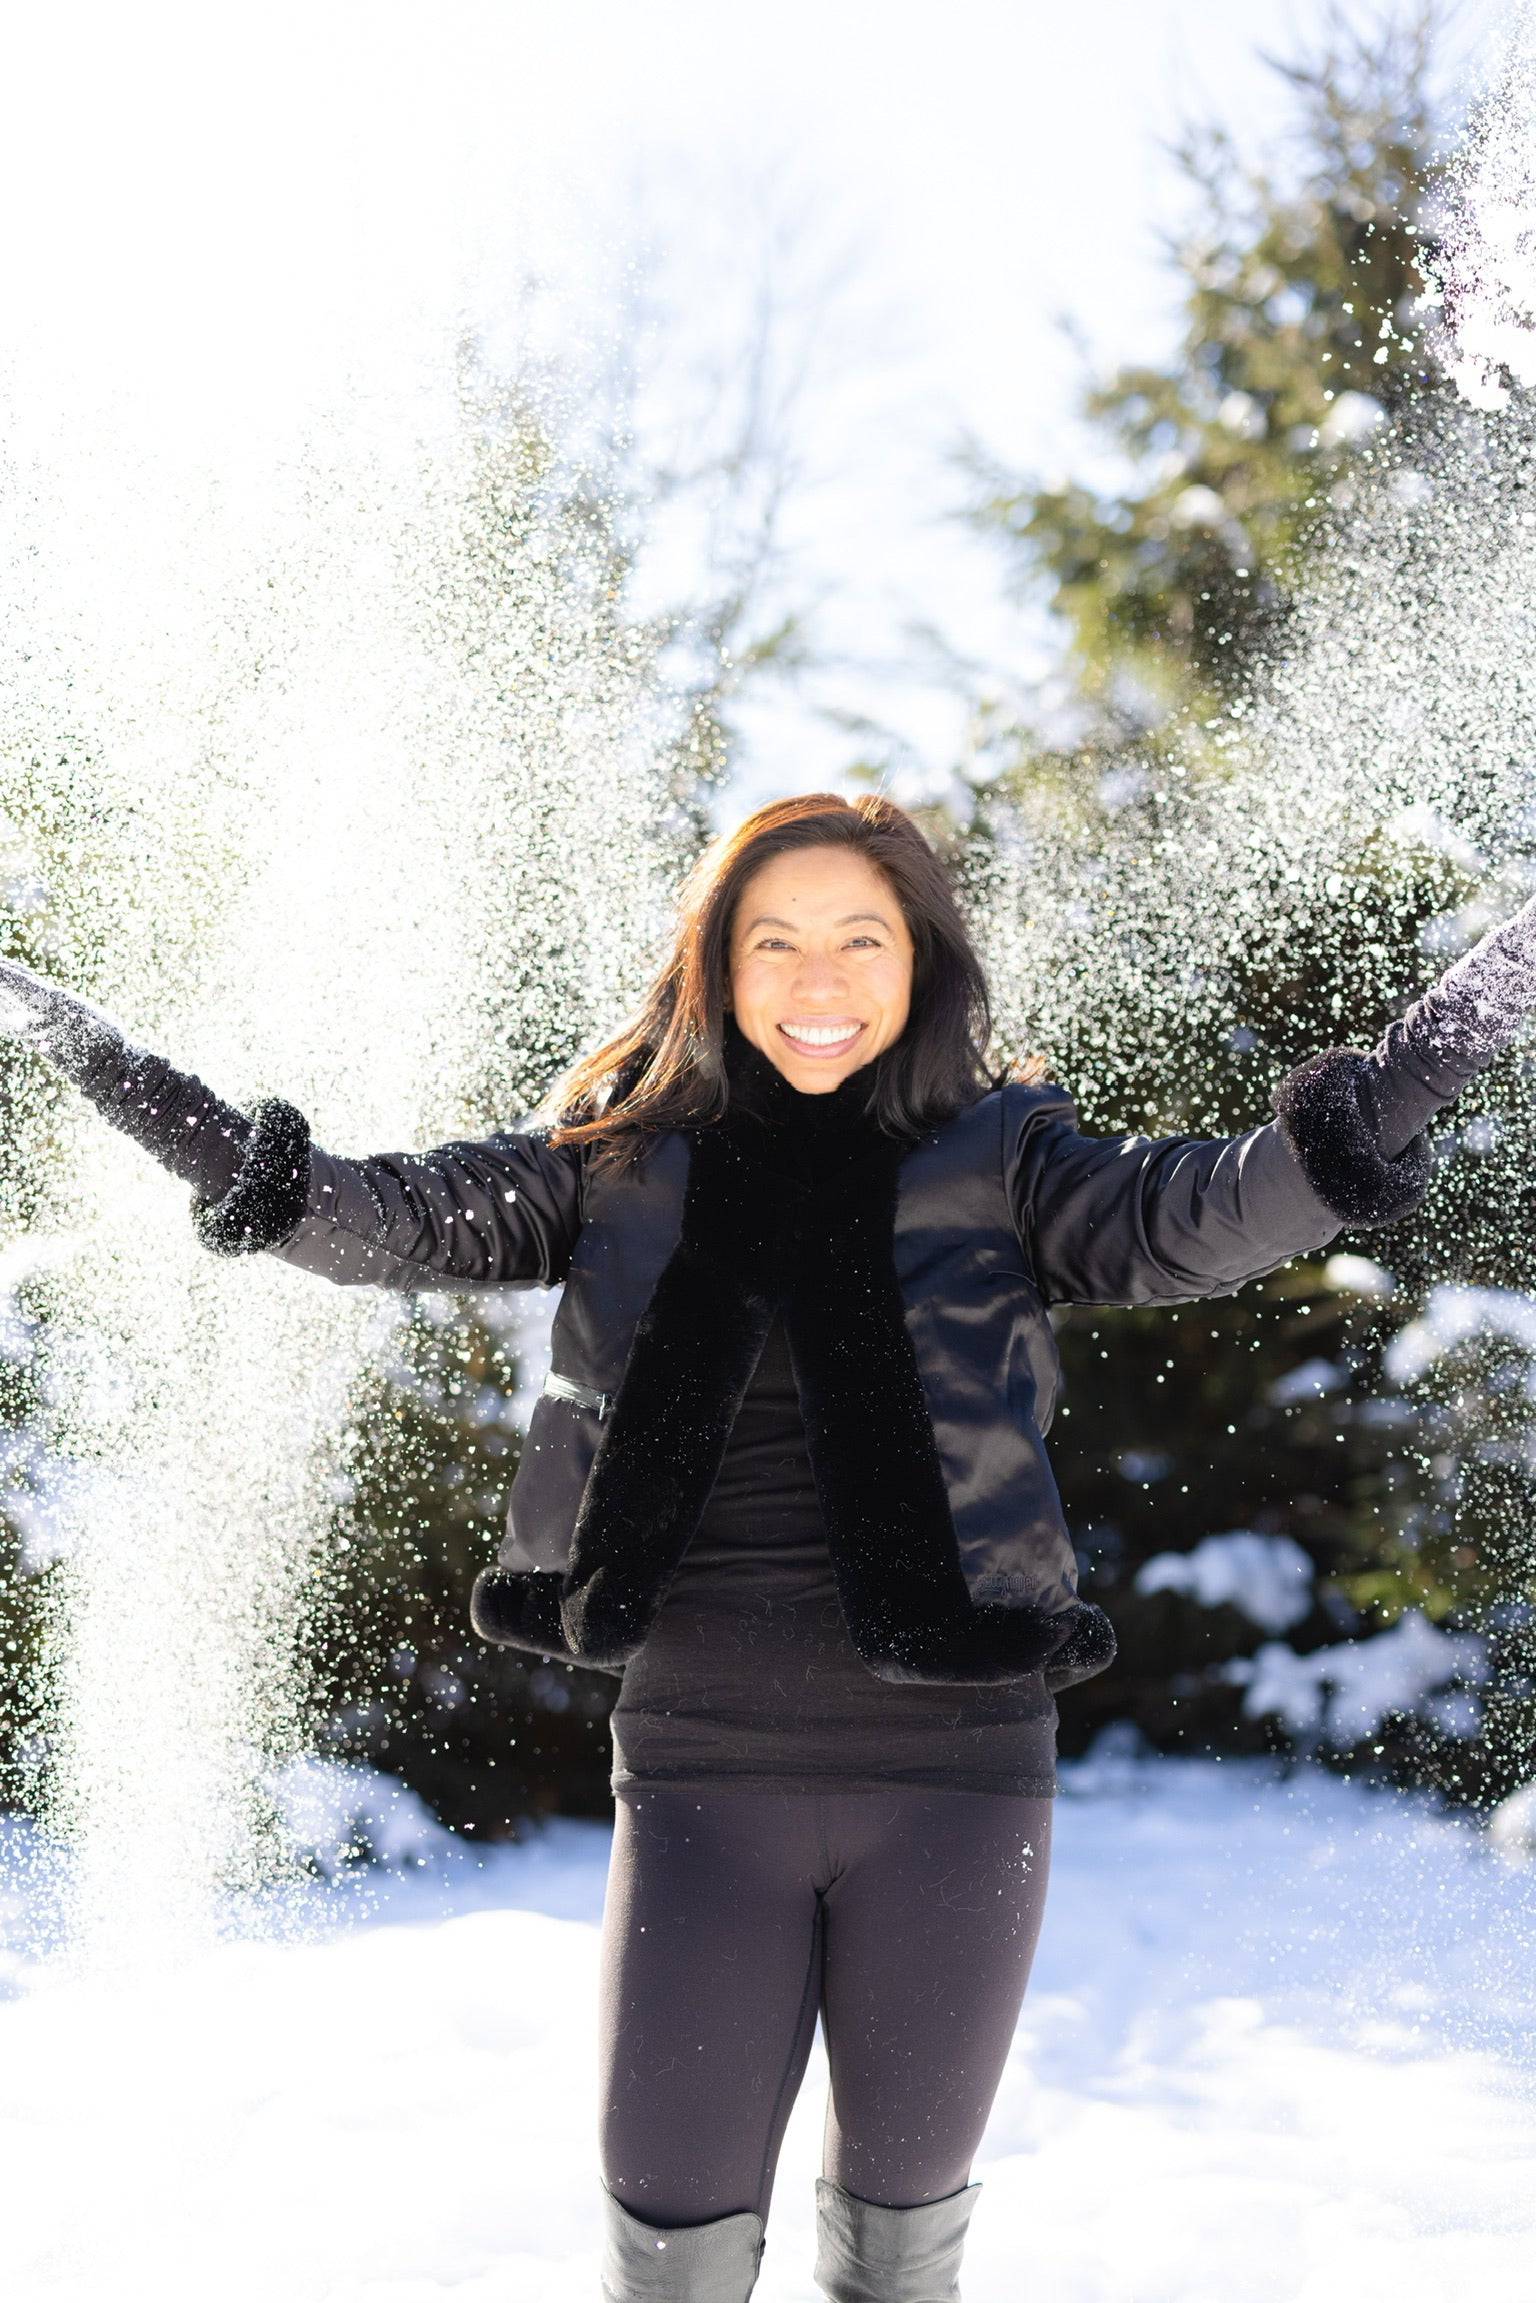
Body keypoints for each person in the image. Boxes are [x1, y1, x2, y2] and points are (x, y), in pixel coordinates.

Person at [2, 789, 1532, 2303]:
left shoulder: (1011, 1158)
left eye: (861, 939)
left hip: (957, 1778)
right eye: (773, 941)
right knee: (665, 2256)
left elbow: (1219, 1208)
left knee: (900, 2253)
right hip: (697, 1771)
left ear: (922, 964)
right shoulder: (613, 1160)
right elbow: (365, 1217)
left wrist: (1456, 1029)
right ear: (716, 969)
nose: (817, 981)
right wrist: (126, 1078)